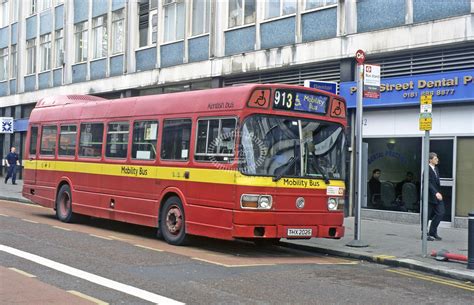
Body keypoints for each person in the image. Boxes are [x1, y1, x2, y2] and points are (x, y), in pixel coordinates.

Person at [426, 152, 445, 241]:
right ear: (430, 160)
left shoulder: (436, 169)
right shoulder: (427, 170)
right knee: (426, 215)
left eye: (437, 158)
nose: (437, 159)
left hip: (437, 196)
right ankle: (424, 234)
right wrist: (435, 193)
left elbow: (436, 183)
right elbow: (428, 183)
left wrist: (439, 193)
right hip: (430, 196)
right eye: (435, 158)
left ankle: (432, 232)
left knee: (441, 213)